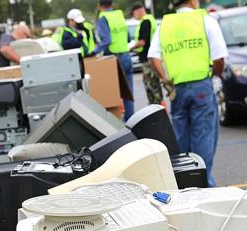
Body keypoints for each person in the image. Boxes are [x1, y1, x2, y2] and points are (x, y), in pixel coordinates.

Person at [148, 0, 227, 187]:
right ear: (192, 1)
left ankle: (185, 183)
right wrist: (215, 76)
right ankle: (204, 184)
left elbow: (153, 56)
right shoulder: (205, 20)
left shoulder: (165, 25)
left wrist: (165, 79)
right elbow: (219, 58)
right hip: (201, 86)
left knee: (181, 137)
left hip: (178, 89)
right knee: (204, 136)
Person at [93, 0, 134, 120]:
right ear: (112, 4)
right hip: (126, 56)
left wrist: (93, 52)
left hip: (113, 58)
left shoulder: (103, 18)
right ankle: (131, 121)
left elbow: (106, 41)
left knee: (111, 94)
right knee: (128, 93)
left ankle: (114, 124)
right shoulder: (119, 15)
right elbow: (127, 38)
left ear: (99, 6)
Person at [131, 4, 162, 106]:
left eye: (134, 13)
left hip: (148, 58)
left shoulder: (145, 22)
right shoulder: (149, 20)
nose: (133, 15)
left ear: (139, 11)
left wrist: (130, 48)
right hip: (150, 57)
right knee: (152, 83)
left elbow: (142, 42)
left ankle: (156, 108)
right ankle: (156, 107)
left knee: (151, 85)